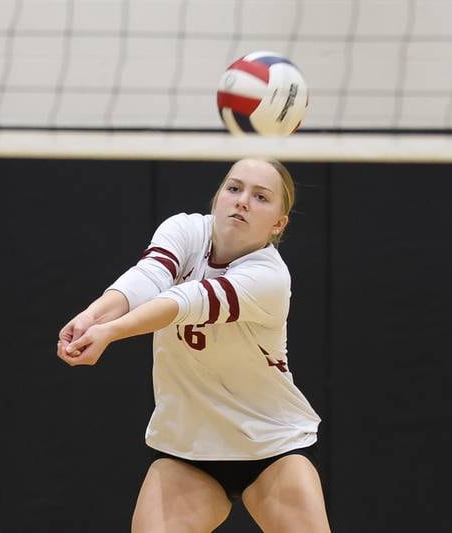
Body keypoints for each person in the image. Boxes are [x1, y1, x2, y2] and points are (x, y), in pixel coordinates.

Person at [56, 158, 331, 532]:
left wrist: (111, 331)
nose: (242, 201)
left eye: (261, 197)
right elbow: (148, 277)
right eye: (234, 188)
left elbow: (183, 303)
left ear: (278, 224)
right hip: (189, 449)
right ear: (218, 196)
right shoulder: (185, 230)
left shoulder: (269, 277)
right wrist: (93, 315)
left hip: (270, 445)